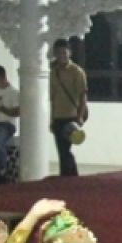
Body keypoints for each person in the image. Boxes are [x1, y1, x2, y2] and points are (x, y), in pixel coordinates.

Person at [49, 39, 88, 177]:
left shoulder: (77, 72)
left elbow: (83, 96)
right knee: (62, 150)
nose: (61, 55)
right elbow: (52, 98)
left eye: (64, 52)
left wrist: (80, 116)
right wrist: (51, 119)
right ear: (55, 53)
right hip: (58, 117)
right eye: (58, 53)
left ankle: (67, 177)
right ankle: (70, 177)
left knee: (65, 149)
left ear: (69, 53)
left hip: (71, 117)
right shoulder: (53, 72)